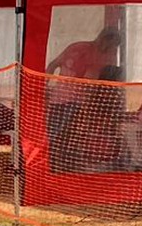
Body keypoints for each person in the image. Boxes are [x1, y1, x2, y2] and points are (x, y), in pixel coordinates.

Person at [46, 28, 121, 172]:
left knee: (56, 139)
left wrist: (43, 88)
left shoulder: (77, 46)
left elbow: (52, 65)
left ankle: (56, 170)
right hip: (73, 103)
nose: (113, 51)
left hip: (59, 100)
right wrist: (87, 111)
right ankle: (60, 171)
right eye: (113, 47)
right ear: (106, 40)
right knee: (64, 140)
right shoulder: (97, 57)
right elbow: (88, 85)